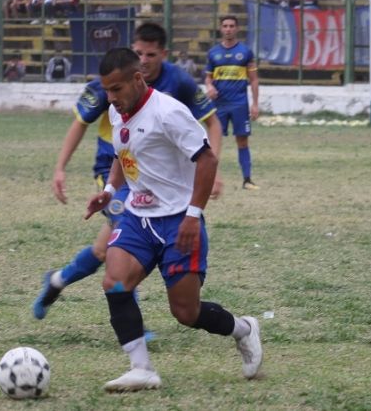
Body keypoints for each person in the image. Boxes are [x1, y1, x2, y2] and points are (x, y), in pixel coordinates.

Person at [82, 47, 262, 392]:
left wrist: (193, 215)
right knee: (115, 283)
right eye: (106, 90)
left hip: (178, 221)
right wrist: (110, 189)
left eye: (116, 89)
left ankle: (244, 329)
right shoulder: (117, 111)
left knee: (185, 313)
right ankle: (141, 369)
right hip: (137, 217)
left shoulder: (168, 112)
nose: (111, 97)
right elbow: (122, 151)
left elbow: (207, 160)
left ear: (137, 79)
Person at [32, 22, 225, 323]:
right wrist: (60, 168)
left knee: (103, 250)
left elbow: (212, 123)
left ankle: (58, 280)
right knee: (121, 247)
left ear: (163, 54)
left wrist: (212, 166)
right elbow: (80, 123)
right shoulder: (113, 81)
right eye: (139, 53)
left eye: (151, 54)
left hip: (156, 179)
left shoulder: (178, 82)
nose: (144, 60)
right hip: (116, 170)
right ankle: (134, 331)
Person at [206, 15, 260, 190]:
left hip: (239, 104)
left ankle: (247, 180)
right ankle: (210, 180)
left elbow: (254, 79)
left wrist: (255, 104)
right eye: (225, 26)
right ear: (221, 29)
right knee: (214, 143)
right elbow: (208, 78)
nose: (228, 29)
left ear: (237, 29)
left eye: (231, 26)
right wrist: (209, 86)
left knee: (242, 141)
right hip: (219, 105)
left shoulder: (245, 52)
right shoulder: (213, 53)